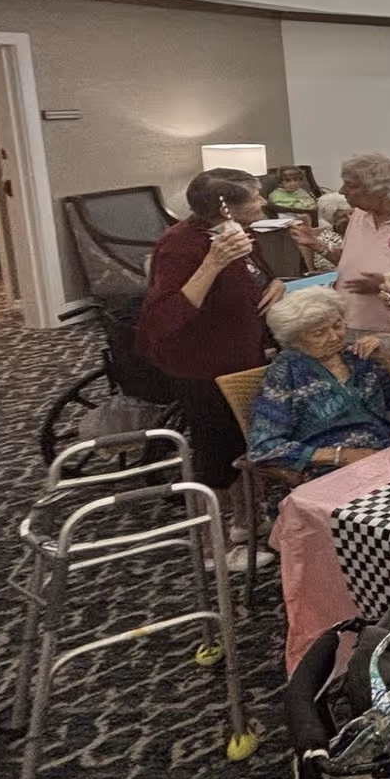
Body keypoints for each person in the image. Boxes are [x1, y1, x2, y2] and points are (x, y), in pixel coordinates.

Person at [136, 167, 283, 570]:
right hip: (203, 366)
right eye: (255, 197)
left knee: (241, 444)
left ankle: (243, 525)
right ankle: (208, 550)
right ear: (225, 208)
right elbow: (165, 316)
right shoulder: (181, 247)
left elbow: (255, 278)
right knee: (216, 455)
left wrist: (275, 284)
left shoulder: (235, 235)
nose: (263, 202)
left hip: (241, 356)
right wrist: (213, 264)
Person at [290, 152, 390, 384]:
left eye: (350, 185)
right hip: (351, 328)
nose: (341, 191)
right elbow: (351, 262)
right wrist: (317, 245)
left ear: (377, 190)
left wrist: (385, 285)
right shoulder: (360, 215)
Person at [249, 289, 390, 472]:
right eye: (319, 333)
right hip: (333, 472)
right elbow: (263, 448)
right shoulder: (286, 373)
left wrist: (389, 361)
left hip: (387, 455)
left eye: (337, 325)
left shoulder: (356, 357)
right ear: (295, 339)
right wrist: (339, 455)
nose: (334, 336)